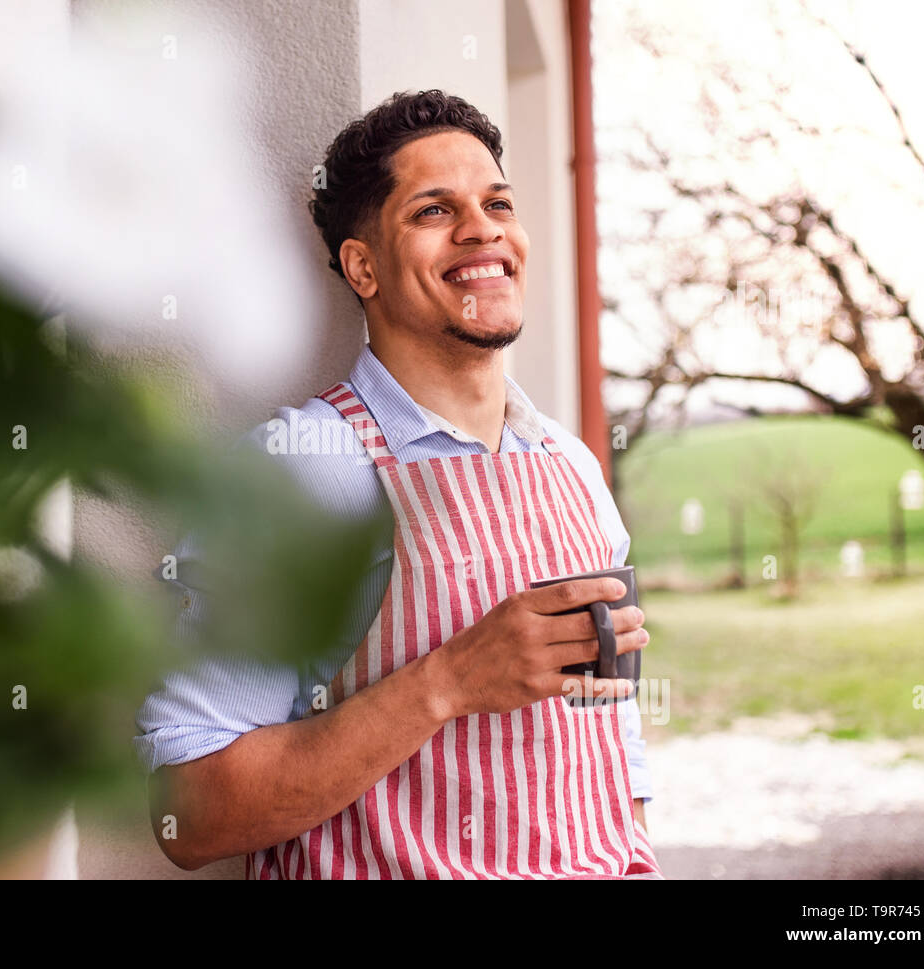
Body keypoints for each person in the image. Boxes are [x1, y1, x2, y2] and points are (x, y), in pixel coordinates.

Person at [133, 89, 662, 879]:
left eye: (497, 202)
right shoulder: (303, 469)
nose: (482, 229)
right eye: (433, 211)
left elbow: (610, 739)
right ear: (363, 266)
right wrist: (448, 682)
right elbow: (190, 812)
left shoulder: (573, 466)